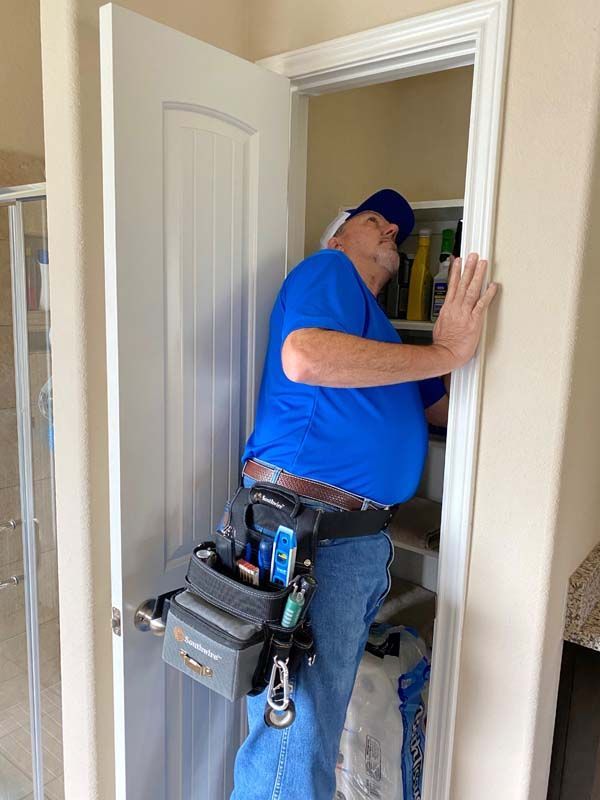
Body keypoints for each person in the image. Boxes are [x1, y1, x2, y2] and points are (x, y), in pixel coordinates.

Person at [230, 189, 498, 800]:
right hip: (309, 528)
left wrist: (462, 354)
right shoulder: (328, 271)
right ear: (337, 237)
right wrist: (447, 351)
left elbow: (446, 411)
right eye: (374, 220)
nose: (390, 232)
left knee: (311, 721)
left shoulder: (386, 344)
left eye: (397, 231)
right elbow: (304, 355)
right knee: (293, 730)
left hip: (345, 536)